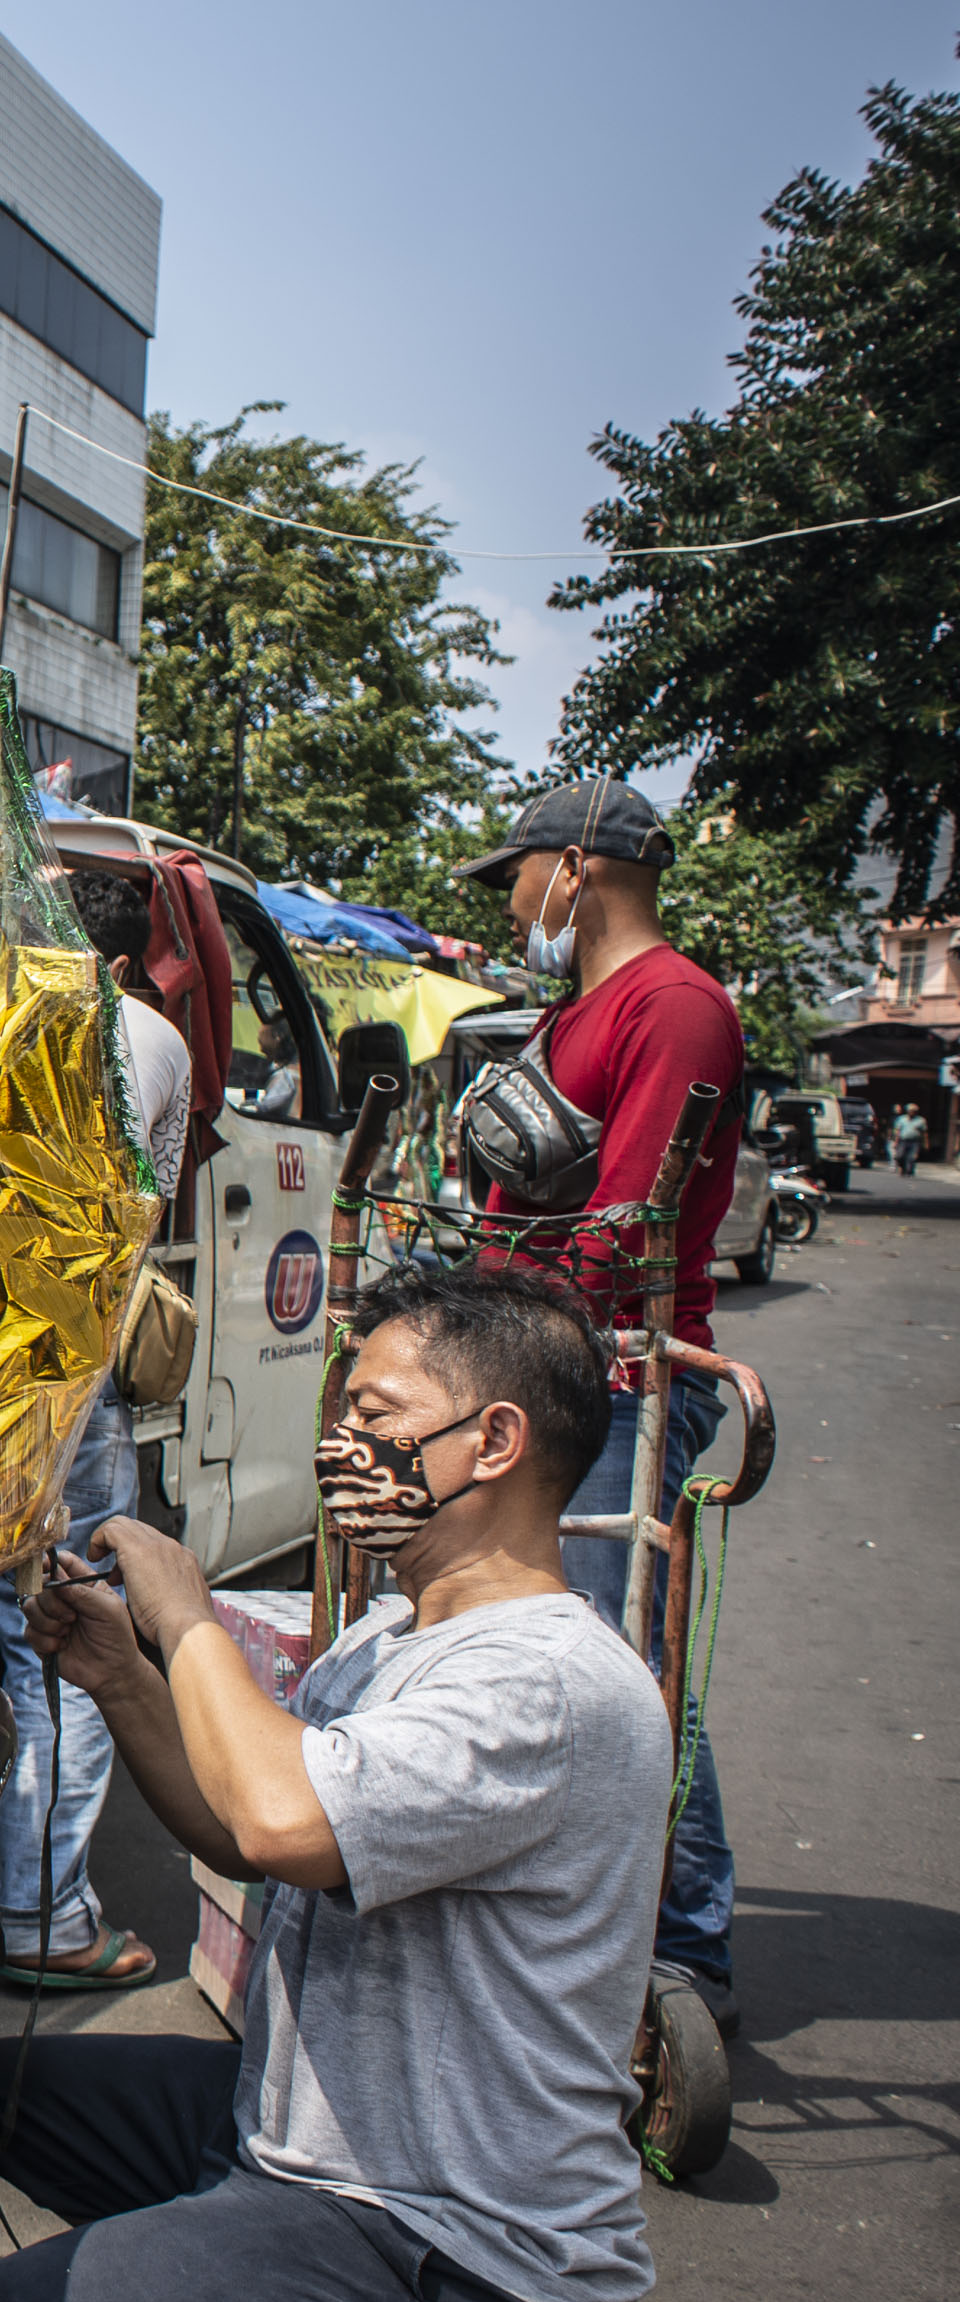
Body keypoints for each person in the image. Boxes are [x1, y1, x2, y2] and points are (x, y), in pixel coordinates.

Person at [0, 1263, 661, 2302]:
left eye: (379, 1413)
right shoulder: (396, 1634)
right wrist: (119, 1676)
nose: (345, 1444)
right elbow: (241, 1821)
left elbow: (284, 1812)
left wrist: (186, 1617)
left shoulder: (544, 1680)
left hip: (460, 2242)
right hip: (308, 2140)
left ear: (499, 1442)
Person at [455, 778, 747, 2029]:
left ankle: (685, 1945)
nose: (513, 902)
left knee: (624, 1671)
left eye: (517, 876)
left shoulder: (673, 1006)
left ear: (575, 870)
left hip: (616, 1375)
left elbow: (622, 1227)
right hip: (539, 1367)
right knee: (525, 1649)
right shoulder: (572, 1010)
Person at [0, 867, 197, 1989]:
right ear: (125, 964)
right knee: (64, 1639)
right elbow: (132, 1214)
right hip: (63, 1382)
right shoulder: (143, 1033)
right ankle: (45, 1919)